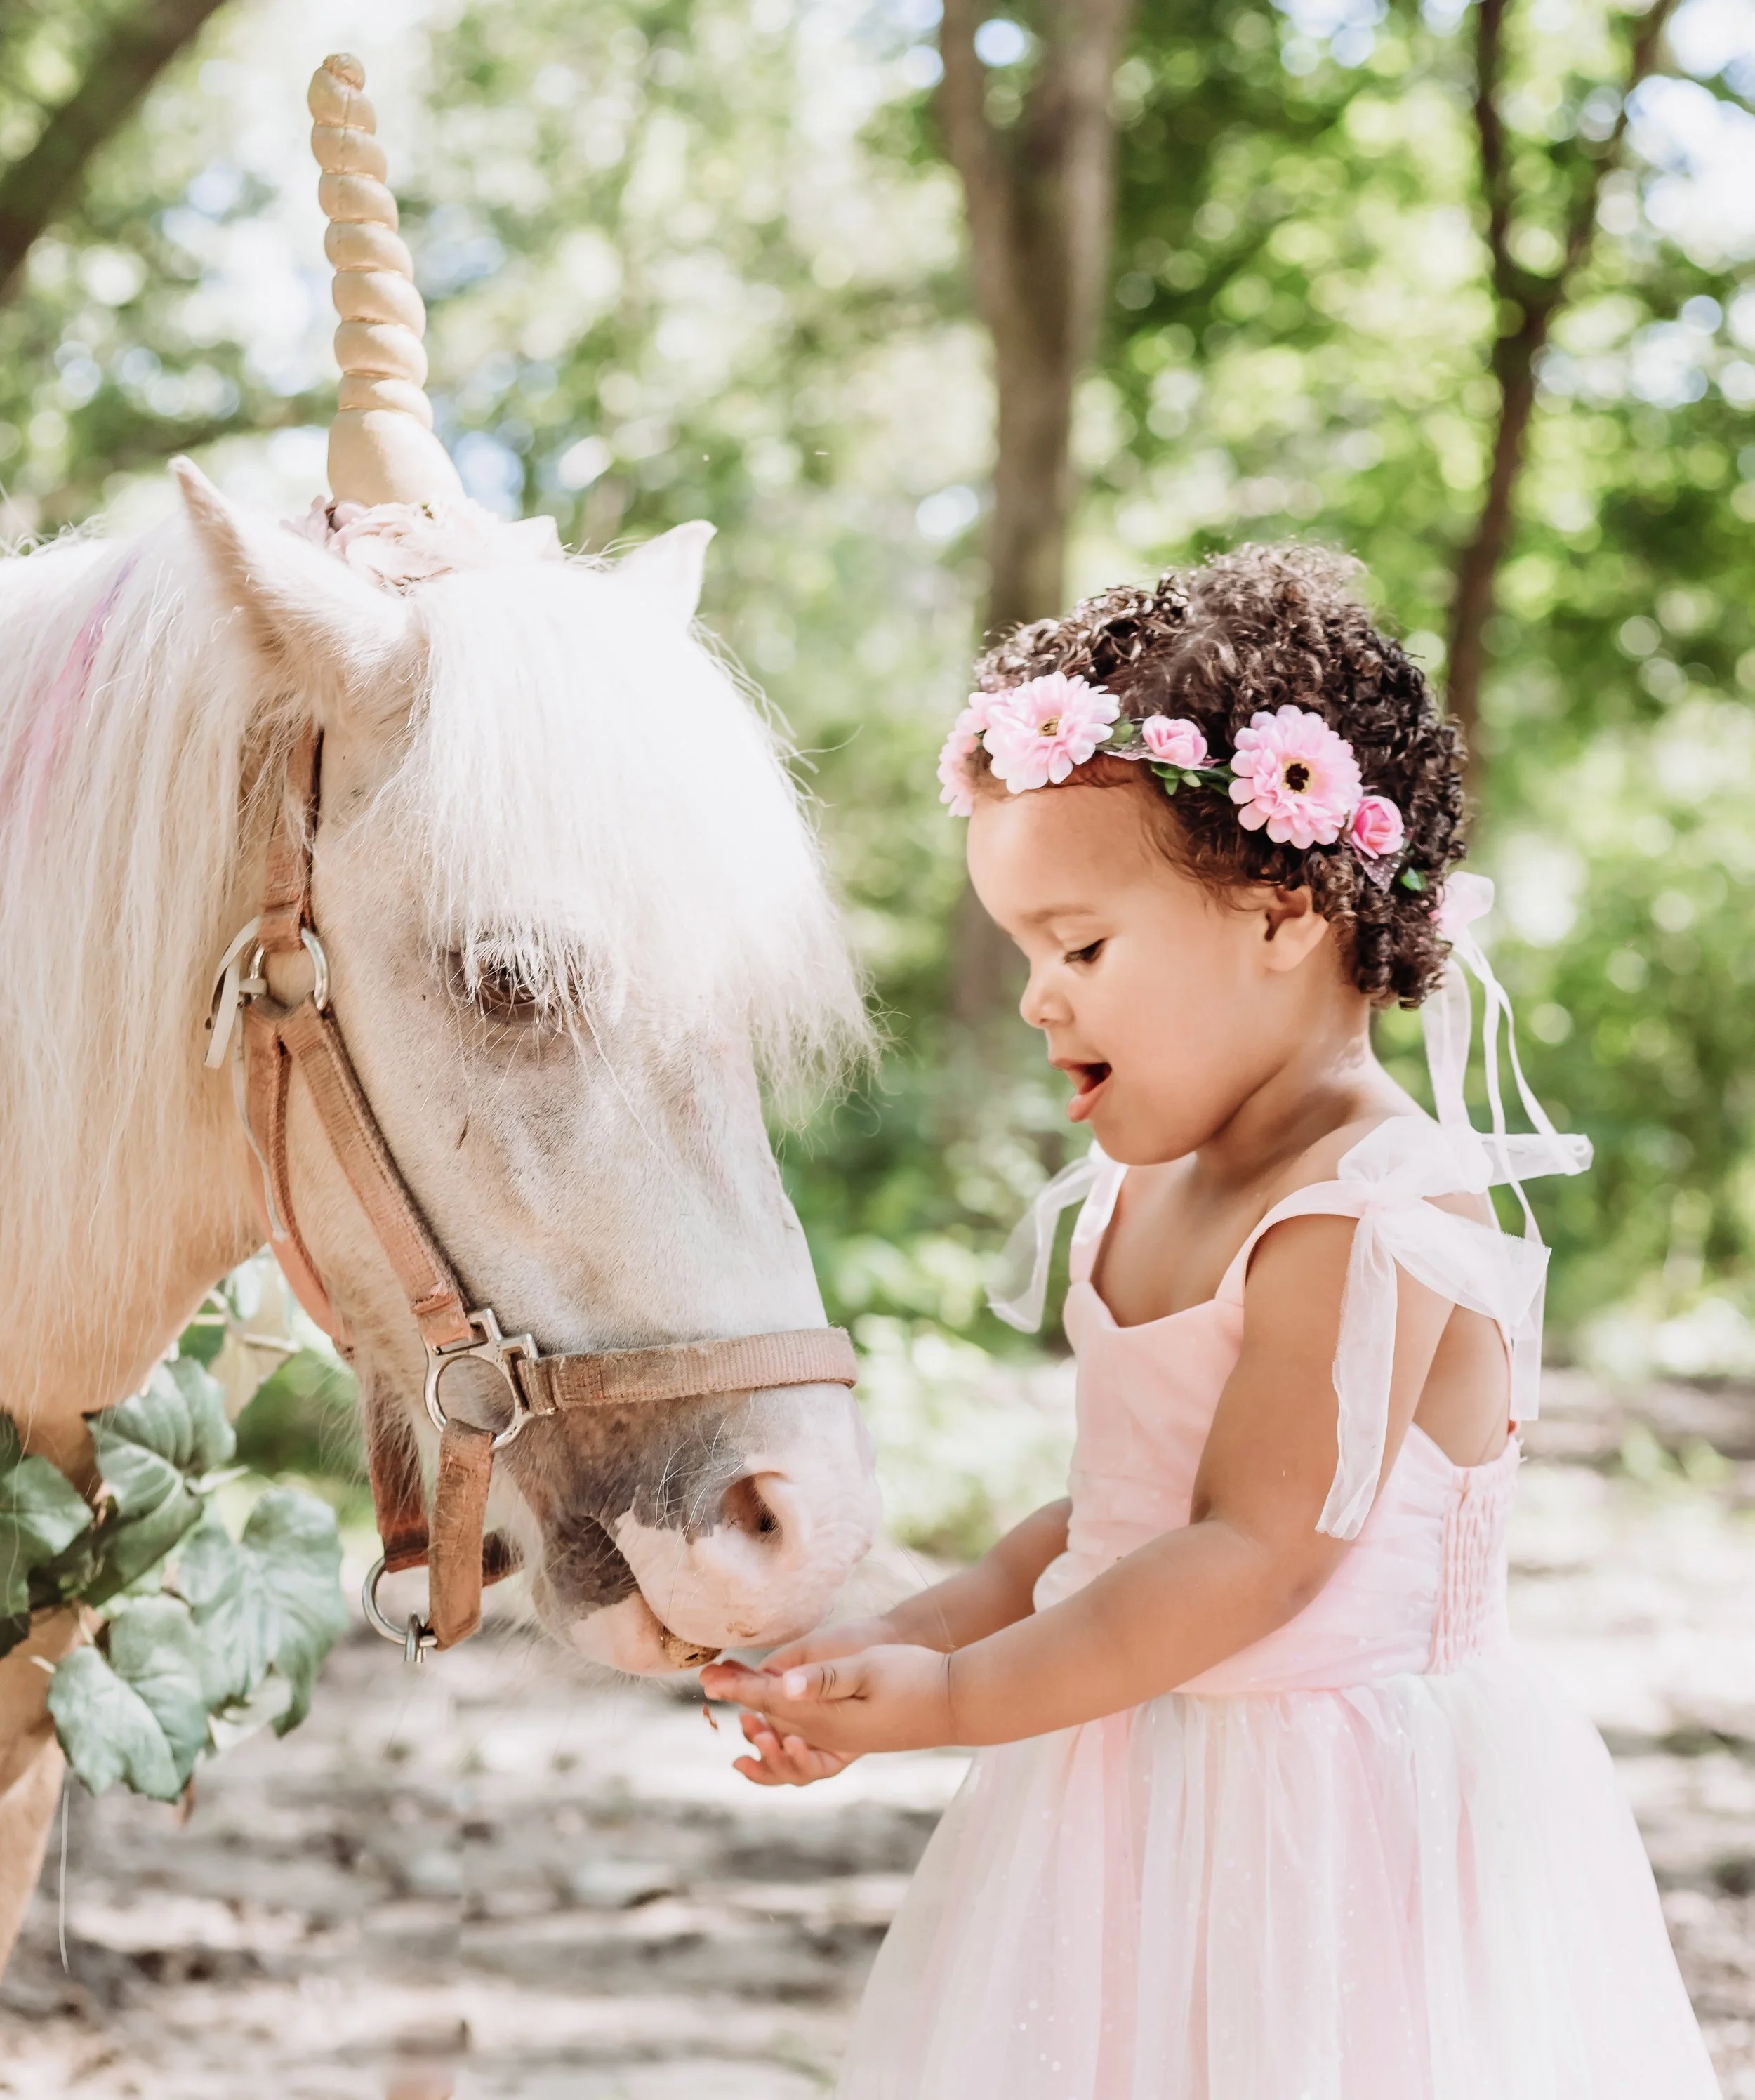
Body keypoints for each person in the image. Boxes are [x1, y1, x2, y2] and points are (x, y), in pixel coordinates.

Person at [701, 546, 1720, 2098]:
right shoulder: (1145, 1189)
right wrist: (898, 1641)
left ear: (1279, 912)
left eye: (1081, 947)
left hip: (1331, 1834)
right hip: (1121, 1785)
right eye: (1028, 950)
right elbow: (1104, 1526)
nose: (1040, 997)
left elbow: (1249, 1548)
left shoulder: (1371, 1207)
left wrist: (967, 1702)